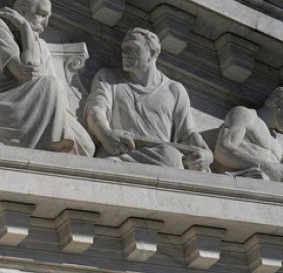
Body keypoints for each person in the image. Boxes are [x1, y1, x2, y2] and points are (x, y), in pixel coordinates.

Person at [0, 0, 93, 155]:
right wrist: (25, 28)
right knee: (49, 84)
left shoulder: (40, 44)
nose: (46, 23)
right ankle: (51, 148)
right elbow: (26, 73)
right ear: (22, 11)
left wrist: (27, 33)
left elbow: (48, 88)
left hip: (32, 101)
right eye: (42, 15)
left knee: (86, 147)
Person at [85, 27, 211, 170]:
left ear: (152, 53)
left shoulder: (174, 90)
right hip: (121, 151)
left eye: (132, 47)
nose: (124, 53)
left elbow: (188, 135)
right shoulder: (108, 77)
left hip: (160, 157)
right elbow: (96, 110)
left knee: (171, 157)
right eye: (123, 48)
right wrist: (104, 133)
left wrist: (207, 156)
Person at [214, 87, 283, 184]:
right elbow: (223, 150)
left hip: (273, 188)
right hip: (245, 181)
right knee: (261, 177)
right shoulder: (246, 115)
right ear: (277, 102)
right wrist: (266, 167)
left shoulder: (282, 141)